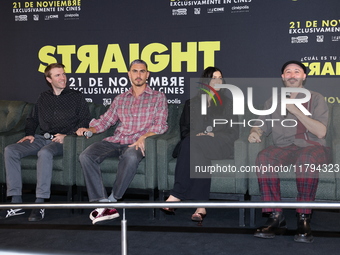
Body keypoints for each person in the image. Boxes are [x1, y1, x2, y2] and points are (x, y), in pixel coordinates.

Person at [248, 60, 331, 243]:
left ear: (304, 76)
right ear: (283, 77)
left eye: (296, 71)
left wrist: (296, 110)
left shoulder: (316, 98)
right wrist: (255, 132)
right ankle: (276, 216)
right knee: (264, 157)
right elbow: (260, 123)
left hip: (312, 146)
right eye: (288, 72)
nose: (292, 75)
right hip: (283, 147)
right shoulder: (273, 101)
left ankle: (303, 218)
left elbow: (321, 131)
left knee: (306, 158)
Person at [77, 59, 168, 225]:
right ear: (129, 74)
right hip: (117, 140)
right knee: (86, 155)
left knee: (131, 157)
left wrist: (144, 137)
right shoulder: (120, 99)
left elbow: (161, 125)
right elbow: (105, 121)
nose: (138, 75)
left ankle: (112, 200)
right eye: (135, 71)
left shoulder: (158, 97)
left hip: (137, 143)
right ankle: (100, 202)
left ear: (147, 74)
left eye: (142, 71)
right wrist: (90, 130)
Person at [0, 63, 91, 221]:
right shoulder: (43, 97)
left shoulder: (77, 96)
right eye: (58, 75)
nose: (63, 78)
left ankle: (40, 203)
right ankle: (16, 203)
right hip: (42, 138)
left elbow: (85, 121)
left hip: (64, 141)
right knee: (10, 150)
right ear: (49, 79)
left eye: (63, 74)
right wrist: (29, 134)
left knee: (45, 152)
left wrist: (66, 135)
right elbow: (32, 119)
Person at [163, 67, 239, 224]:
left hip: (219, 144)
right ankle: (201, 206)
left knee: (192, 145)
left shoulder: (229, 104)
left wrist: (213, 135)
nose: (218, 81)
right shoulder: (191, 104)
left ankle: (176, 194)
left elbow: (234, 132)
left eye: (220, 78)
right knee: (196, 149)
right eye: (214, 78)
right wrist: (197, 136)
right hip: (195, 144)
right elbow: (184, 130)